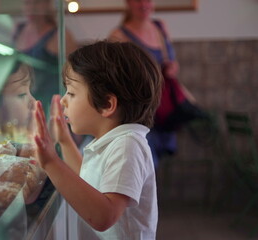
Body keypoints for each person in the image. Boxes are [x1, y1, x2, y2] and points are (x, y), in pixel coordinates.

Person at [32, 40, 162, 239]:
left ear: (107, 104)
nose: (64, 100)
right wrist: (65, 141)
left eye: (72, 93)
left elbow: (104, 216)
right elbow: (88, 183)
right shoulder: (113, 141)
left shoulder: (128, 145)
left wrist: (51, 162)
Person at [108, 0, 196, 168]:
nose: (144, 4)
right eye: (138, 0)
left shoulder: (160, 26)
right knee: (144, 165)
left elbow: (171, 61)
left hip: (165, 108)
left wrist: (171, 68)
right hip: (142, 114)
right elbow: (116, 79)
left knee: (154, 168)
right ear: (128, 3)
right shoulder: (118, 35)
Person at [13, 0, 77, 116]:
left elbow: (75, 75)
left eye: (36, 2)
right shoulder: (18, 30)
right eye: (27, 3)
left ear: (47, 4)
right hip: (23, 101)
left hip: (51, 102)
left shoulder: (60, 35)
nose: (31, 7)